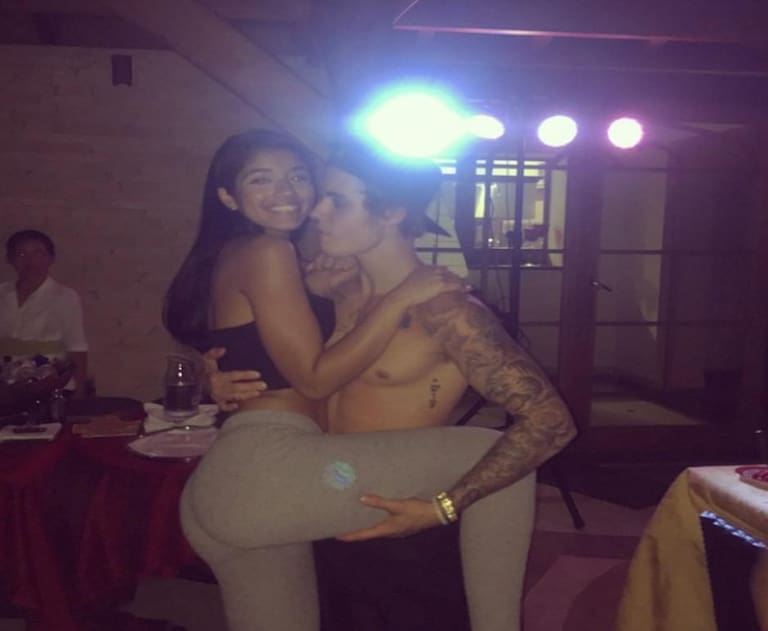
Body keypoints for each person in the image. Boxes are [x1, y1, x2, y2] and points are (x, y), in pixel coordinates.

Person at [168, 130, 577, 631]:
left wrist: (444, 508)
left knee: (496, 456)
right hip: (305, 493)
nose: (315, 211)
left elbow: (550, 421)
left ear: (392, 212)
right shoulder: (326, 291)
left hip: (376, 520)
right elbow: (249, 335)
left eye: (335, 201)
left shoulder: (447, 311)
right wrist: (214, 373)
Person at [0, 229, 88, 396]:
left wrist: (80, 393)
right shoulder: (2, 294)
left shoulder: (65, 297)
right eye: (21, 254)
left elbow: (77, 347)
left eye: (38, 253)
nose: (30, 261)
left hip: (51, 387)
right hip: (6, 389)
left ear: (51, 258)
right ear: (9, 259)